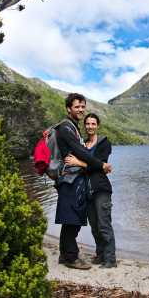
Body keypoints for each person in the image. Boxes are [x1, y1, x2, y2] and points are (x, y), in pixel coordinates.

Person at [55, 93, 112, 269]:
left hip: (71, 180)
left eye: (82, 106)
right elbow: (80, 151)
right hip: (70, 180)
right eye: (77, 106)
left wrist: (90, 163)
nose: (80, 109)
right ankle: (71, 257)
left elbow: (80, 153)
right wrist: (101, 164)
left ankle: (65, 255)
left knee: (70, 219)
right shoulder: (66, 128)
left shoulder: (71, 127)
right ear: (68, 108)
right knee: (72, 220)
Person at [65, 113, 117, 268]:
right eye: (87, 124)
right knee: (94, 226)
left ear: (98, 125)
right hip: (86, 191)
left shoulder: (104, 143)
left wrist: (79, 162)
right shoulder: (82, 145)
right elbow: (96, 166)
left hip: (101, 189)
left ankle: (110, 259)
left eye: (93, 124)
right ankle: (100, 255)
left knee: (104, 224)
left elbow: (99, 165)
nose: (90, 127)